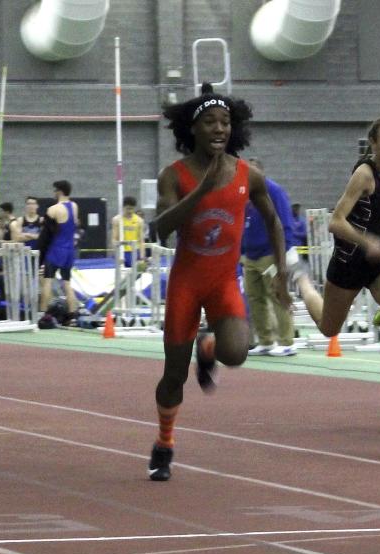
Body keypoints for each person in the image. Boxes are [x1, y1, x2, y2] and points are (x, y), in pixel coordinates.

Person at [147, 83, 291, 481]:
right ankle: (164, 442)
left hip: (224, 281)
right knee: (173, 377)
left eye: (225, 122)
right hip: (186, 286)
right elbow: (160, 229)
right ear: (192, 129)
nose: (218, 129)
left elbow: (274, 221)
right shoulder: (173, 176)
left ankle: (207, 345)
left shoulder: (248, 175)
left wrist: (281, 272)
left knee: (236, 354)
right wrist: (203, 191)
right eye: (209, 121)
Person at [292, 116, 380, 433]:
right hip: (351, 259)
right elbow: (336, 221)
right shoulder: (364, 175)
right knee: (328, 327)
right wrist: (367, 241)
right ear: (374, 144)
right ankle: (301, 281)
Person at [243, 157, 298, 357]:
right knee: (255, 298)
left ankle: (287, 341)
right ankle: (266, 340)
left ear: (260, 173)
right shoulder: (244, 193)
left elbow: (285, 222)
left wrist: (282, 255)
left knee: (278, 296)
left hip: (270, 254)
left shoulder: (273, 191)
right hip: (250, 255)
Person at [40, 180, 79, 314]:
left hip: (56, 250)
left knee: (47, 282)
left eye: (55, 191)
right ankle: (73, 314)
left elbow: (46, 236)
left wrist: (41, 256)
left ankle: (42, 314)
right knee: (67, 283)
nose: (54, 193)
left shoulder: (53, 209)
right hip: (69, 251)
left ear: (59, 191)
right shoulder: (74, 206)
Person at [110, 195, 146, 268]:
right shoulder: (116, 220)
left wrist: (142, 257)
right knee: (123, 276)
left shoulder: (139, 221)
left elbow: (141, 241)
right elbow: (114, 239)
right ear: (123, 207)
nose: (130, 211)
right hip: (122, 252)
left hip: (135, 251)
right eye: (128, 209)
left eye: (132, 209)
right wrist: (117, 254)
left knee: (138, 274)